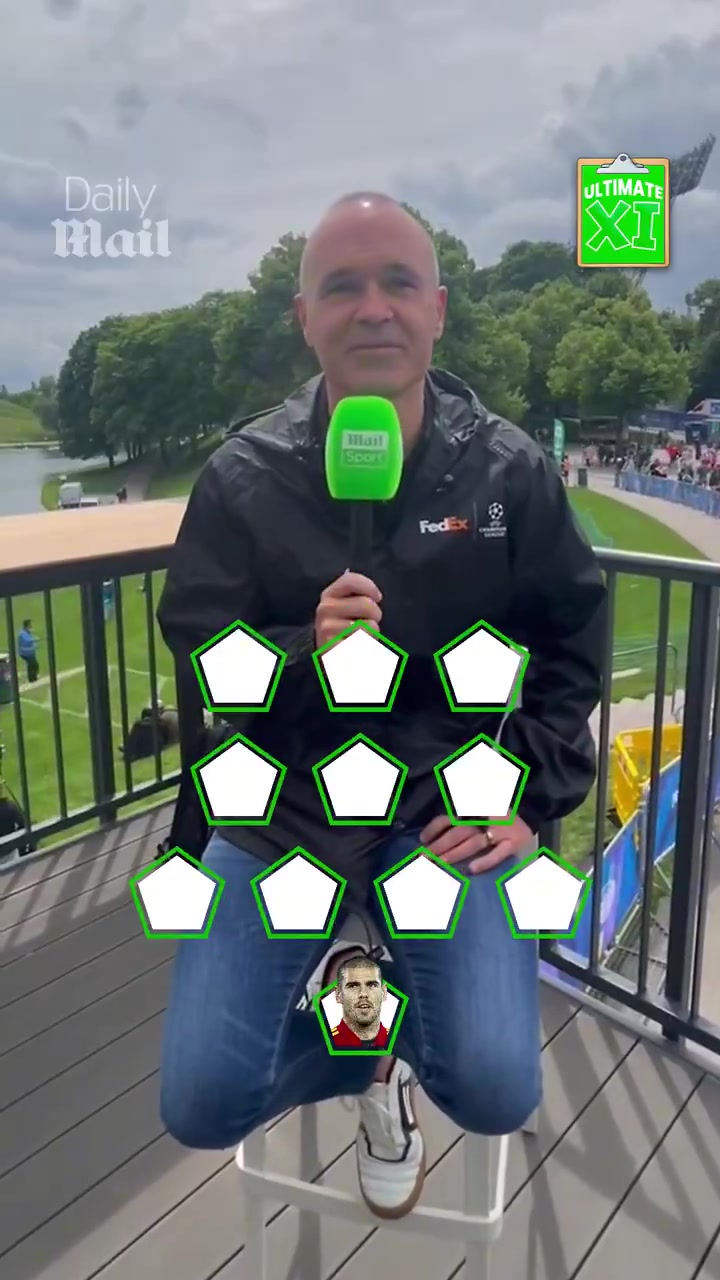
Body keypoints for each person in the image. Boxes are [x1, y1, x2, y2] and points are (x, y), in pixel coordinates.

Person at [156, 191, 607, 1220]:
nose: (373, 308)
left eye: (399, 283)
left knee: (495, 1090)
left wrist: (525, 793)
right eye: (342, 287)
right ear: (304, 318)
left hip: (444, 812)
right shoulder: (243, 475)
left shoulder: (509, 471)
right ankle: (364, 1049)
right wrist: (303, 653)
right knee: (201, 1104)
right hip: (282, 810)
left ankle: (385, 1046)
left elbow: (570, 645)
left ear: (437, 310)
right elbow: (202, 653)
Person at [330, 955, 390, 1050]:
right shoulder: (323, 1044)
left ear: (384, 993)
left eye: (372, 985)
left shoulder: (401, 1045)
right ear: (338, 995)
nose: (363, 994)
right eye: (353, 986)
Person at [17, 620, 39, 684]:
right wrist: (36, 639)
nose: (31, 626)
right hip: (25, 653)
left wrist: (35, 643)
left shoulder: (27, 632)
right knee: (32, 664)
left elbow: (30, 640)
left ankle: (33, 678)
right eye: (30, 625)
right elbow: (28, 640)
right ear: (26, 626)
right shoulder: (22, 633)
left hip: (29, 652)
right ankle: (31, 679)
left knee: (34, 664)